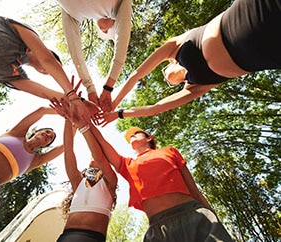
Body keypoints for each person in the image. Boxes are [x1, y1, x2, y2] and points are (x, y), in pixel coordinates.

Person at [98, 0, 281, 125]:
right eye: (169, 83)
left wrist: (114, 99)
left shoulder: (174, 45)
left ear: (170, 63)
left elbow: (137, 75)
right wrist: (118, 114)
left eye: (164, 72)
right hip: (268, 53)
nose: (166, 79)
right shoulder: (193, 88)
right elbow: (154, 109)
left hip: (250, 14)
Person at [86, 124, 233, 241]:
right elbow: (103, 145)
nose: (132, 135)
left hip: (193, 214)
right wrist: (88, 123)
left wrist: (214, 218)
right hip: (159, 228)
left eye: (136, 132)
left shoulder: (169, 151)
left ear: (149, 138)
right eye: (130, 136)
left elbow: (193, 189)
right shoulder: (127, 164)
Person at [0, 0, 89, 120]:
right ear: (47, 51)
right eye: (54, 66)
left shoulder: (14, 75)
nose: (48, 70)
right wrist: (71, 93)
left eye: (48, 72)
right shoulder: (17, 33)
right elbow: (47, 60)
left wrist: (82, 103)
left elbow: (47, 93)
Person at [0, 106, 64, 224]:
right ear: (36, 131)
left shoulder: (35, 160)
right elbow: (41, 111)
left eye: (50, 138)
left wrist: (74, 123)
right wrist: (65, 111)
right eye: (47, 132)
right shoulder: (16, 134)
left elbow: (66, 146)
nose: (48, 135)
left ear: (46, 145)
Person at [50, 97, 118, 242]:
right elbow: (68, 149)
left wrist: (83, 127)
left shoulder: (110, 183)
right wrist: (68, 117)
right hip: (67, 236)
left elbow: (99, 157)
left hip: (92, 238)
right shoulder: (78, 183)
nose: (92, 158)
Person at [56, 0, 132, 111]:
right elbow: (75, 54)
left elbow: (75, 52)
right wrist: (102, 87)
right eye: (107, 30)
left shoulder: (71, 10)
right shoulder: (118, 6)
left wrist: (92, 88)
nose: (105, 31)